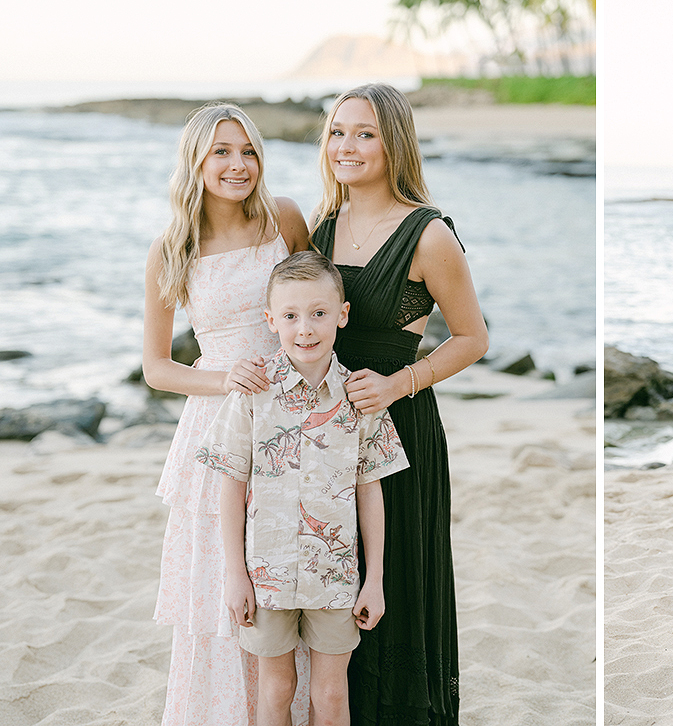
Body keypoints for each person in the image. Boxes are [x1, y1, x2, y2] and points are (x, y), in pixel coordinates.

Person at [308, 83, 488, 724]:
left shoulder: (429, 234)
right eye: (337, 132)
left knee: (397, 582)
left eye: (365, 134)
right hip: (325, 432)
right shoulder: (321, 227)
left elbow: (473, 338)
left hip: (399, 427)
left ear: (394, 144)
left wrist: (396, 385)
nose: (346, 146)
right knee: (336, 585)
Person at [143, 103, 309, 724]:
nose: (238, 165)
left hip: (293, 416)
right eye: (221, 152)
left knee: (288, 578)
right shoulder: (172, 248)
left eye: (248, 151)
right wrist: (222, 379)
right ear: (196, 161)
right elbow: (158, 368)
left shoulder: (283, 217)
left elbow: (316, 297)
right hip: (217, 423)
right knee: (223, 590)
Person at [199, 251, 407, 724]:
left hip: (335, 579)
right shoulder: (253, 391)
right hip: (266, 577)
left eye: (318, 314)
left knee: (332, 696)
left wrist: (373, 580)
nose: (305, 329)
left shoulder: (360, 396)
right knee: (277, 689)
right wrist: (235, 575)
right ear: (271, 320)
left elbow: (370, 490)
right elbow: (230, 487)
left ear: (342, 315)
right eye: (290, 316)